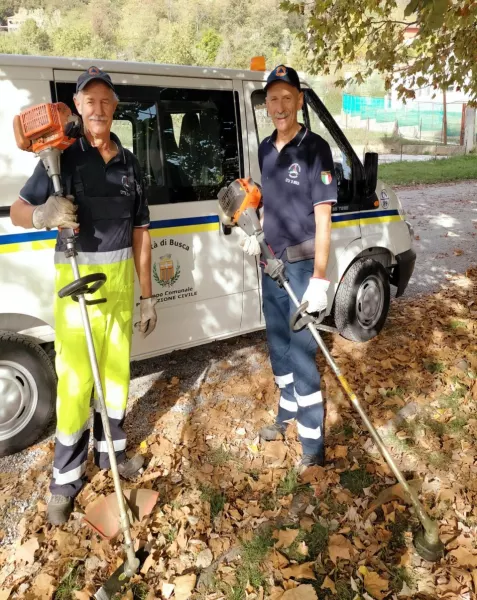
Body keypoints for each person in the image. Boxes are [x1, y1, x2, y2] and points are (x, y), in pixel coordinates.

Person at [10, 66, 158, 525]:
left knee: (115, 382)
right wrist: (43, 214)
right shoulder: (60, 156)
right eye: (89, 101)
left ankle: (111, 458)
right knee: (75, 386)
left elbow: (141, 233)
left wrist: (147, 296)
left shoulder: (130, 164)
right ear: (77, 106)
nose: (98, 108)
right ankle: (64, 481)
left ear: (115, 108)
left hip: (118, 291)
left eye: (106, 101)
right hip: (76, 293)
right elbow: (17, 210)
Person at [241, 65, 337, 470]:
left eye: (286, 97)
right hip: (271, 264)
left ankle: (313, 446)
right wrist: (256, 229)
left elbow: (323, 217)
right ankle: (288, 414)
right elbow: (272, 204)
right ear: (266, 106)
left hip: (300, 270)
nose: (279, 106)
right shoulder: (265, 148)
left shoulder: (316, 149)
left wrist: (319, 278)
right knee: (278, 347)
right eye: (272, 99)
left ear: (299, 100)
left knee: (302, 355)